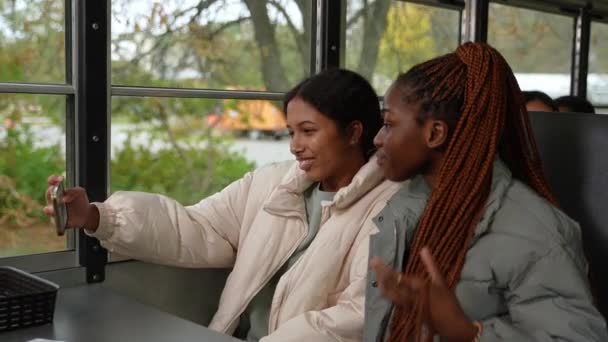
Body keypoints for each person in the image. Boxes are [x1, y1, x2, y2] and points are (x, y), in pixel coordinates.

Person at [44, 69, 401, 341]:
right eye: (291, 132)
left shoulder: (389, 207)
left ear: (353, 133)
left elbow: (359, 313)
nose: (294, 145)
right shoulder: (273, 183)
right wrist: (96, 217)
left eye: (308, 131)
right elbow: (196, 228)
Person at [365, 42, 607, 341]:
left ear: (435, 133)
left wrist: (467, 333)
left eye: (389, 124)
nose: (377, 138)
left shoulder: (537, 231)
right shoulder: (404, 209)